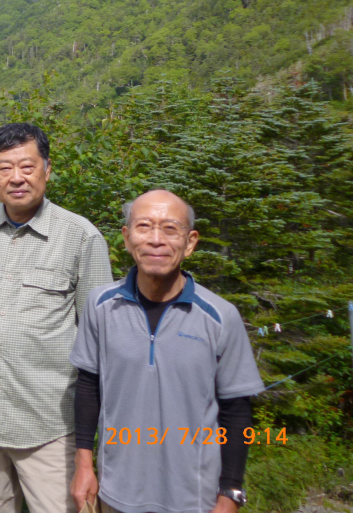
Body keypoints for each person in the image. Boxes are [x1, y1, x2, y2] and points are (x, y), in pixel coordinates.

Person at [70, 189, 263, 513]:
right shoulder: (101, 306)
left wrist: (230, 492)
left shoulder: (219, 316)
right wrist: (84, 465)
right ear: (127, 237)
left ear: (190, 242)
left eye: (170, 229)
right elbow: (88, 386)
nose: (156, 239)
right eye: (144, 226)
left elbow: (236, 412)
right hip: (115, 494)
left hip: (194, 499)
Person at [0, 123, 112, 513]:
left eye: (27, 166)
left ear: (47, 169)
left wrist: (90, 444)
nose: (16, 178)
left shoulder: (81, 237)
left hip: (50, 425)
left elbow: (100, 342)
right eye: (4, 168)